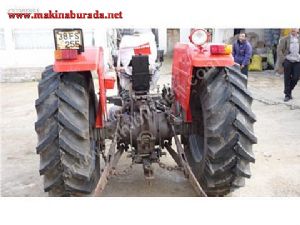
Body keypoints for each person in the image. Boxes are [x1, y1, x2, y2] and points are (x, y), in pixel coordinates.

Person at [277, 28, 300, 102]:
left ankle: (288, 90)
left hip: (297, 61)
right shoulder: (285, 39)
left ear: (298, 31)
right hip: (288, 60)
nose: (294, 32)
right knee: (287, 78)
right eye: (292, 30)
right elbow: (279, 49)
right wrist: (283, 59)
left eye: (295, 31)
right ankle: (287, 95)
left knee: (296, 77)